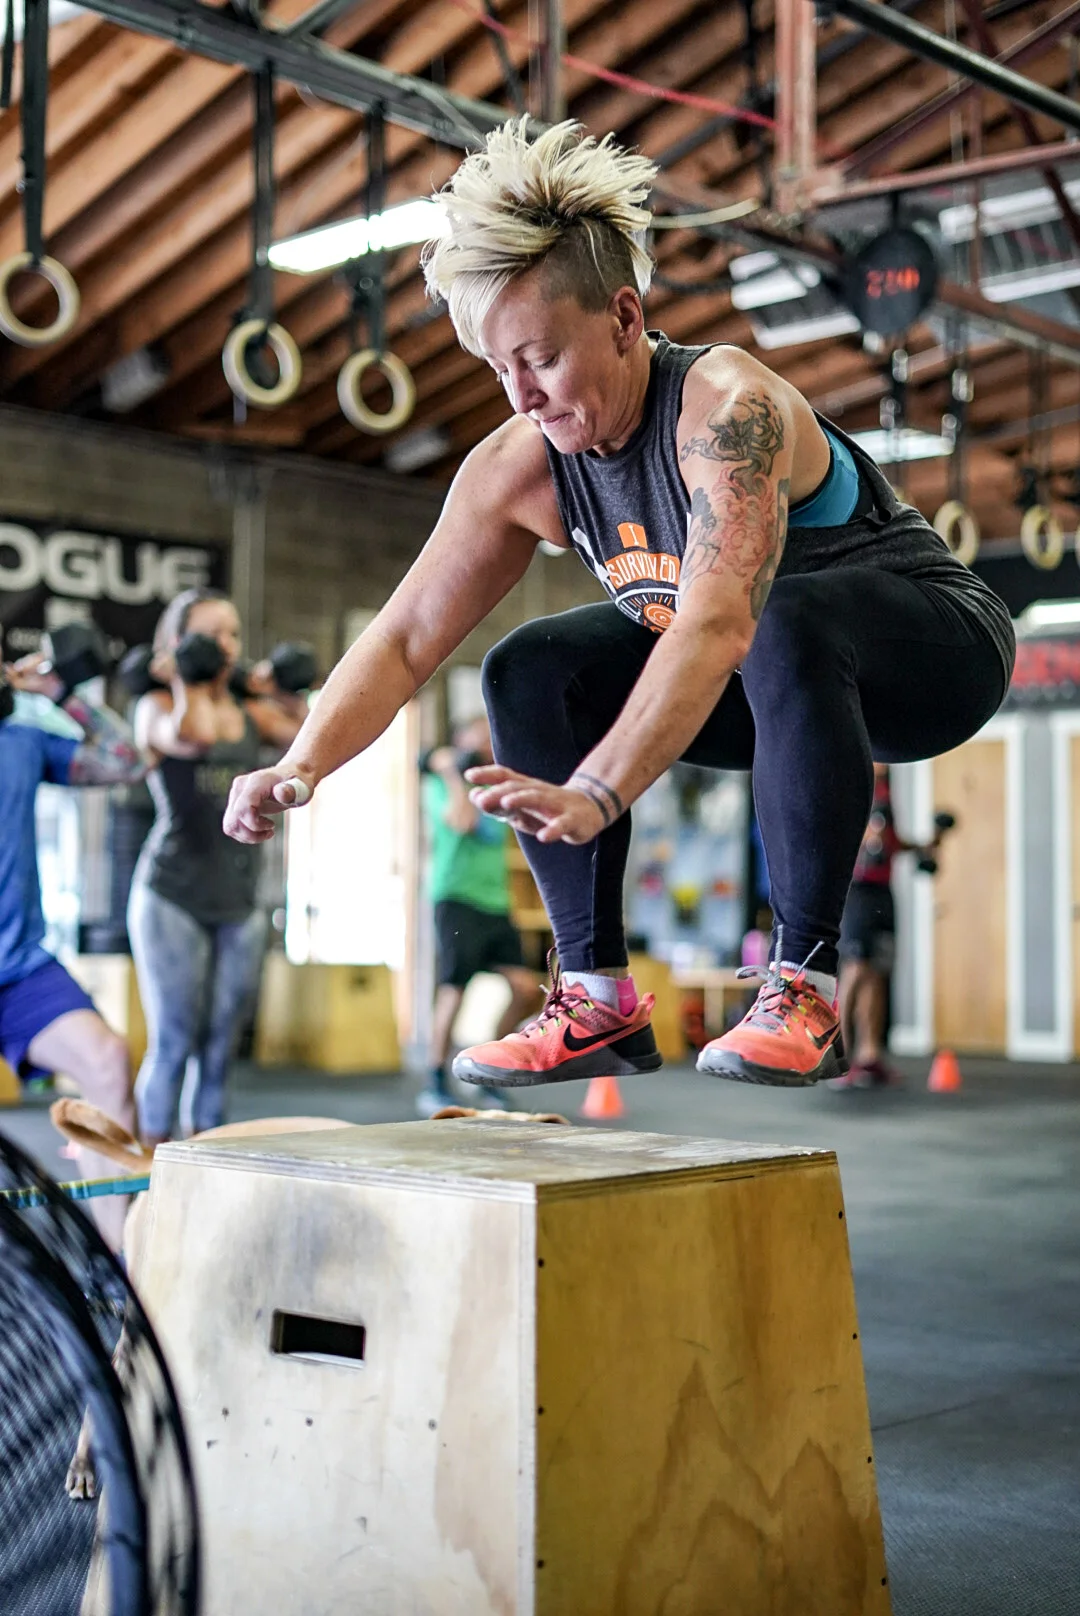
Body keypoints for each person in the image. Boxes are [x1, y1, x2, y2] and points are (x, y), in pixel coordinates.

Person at [222, 119, 1015, 1091]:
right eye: (499, 369)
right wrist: (300, 763)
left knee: (782, 616)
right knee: (530, 666)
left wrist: (598, 791)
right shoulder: (522, 466)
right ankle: (595, 998)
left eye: (541, 358)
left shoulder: (726, 409)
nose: (523, 396)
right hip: (765, 686)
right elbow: (403, 638)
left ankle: (802, 988)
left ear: (627, 318)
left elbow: (718, 621)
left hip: (936, 656)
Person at [129, 589, 307, 1144]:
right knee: (174, 1038)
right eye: (211, 635)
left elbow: (307, 738)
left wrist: (283, 690)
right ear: (178, 642)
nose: (226, 645)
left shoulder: (251, 712)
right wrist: (188, 677)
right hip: (172, 893)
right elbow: (195, 735)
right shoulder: (155, 707)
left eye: (232, 634)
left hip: (239, 897)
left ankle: (206, 1157)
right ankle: (148, 1170)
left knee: (221, 1041)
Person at [0, 651, 146, 1247]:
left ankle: (114, 1264)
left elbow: (126, 760)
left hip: (19, 969)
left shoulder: (22, 742)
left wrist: (60, 694)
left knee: (108, 1062)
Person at [417, 715, 540, 1116]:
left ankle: (488, 1066)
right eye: (479, 738)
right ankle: (435, 1077)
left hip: (496, 902)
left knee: (525, 989)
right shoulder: (440, 786)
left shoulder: (496, 788)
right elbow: (462, 820)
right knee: (454, 989)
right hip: (456, 897)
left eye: (491, 738)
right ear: (460, 743)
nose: (487, 744)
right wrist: (453, 774)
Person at [832, 764, 945, 1089]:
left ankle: (869, 1057)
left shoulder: (885, 792)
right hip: (858, 891)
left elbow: (888, 842)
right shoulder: (852, 784)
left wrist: (923, 845)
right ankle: (839, 1057)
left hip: (883, 891)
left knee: (878, 971)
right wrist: (866, 836)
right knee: (855, 969)